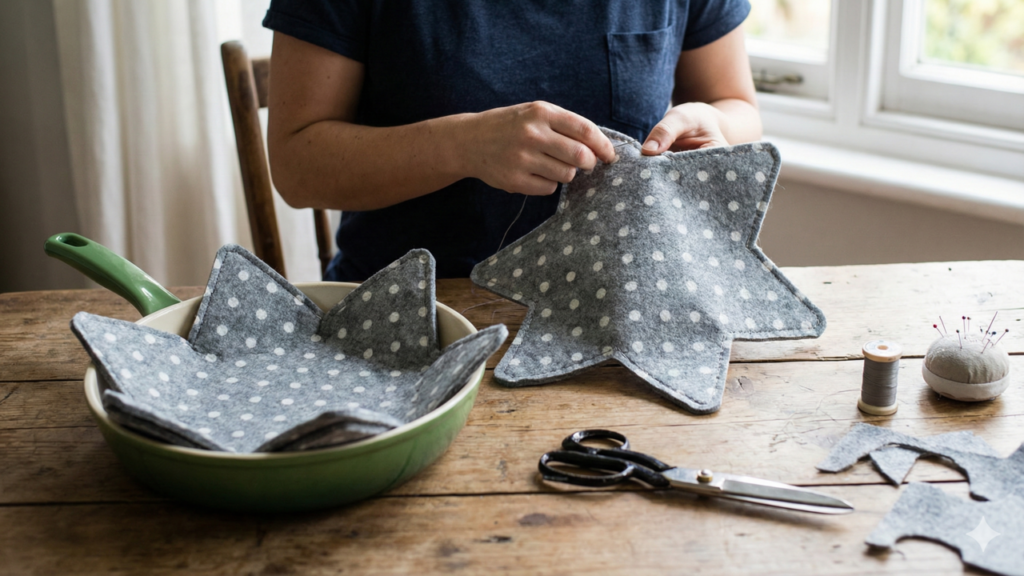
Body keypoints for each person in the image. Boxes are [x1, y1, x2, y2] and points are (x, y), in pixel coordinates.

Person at [262, 1, 761, 281]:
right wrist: (461, 146)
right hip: (409, 310)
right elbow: (296, 167)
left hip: (628, 302)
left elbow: (736, 106)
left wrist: (714, 126)